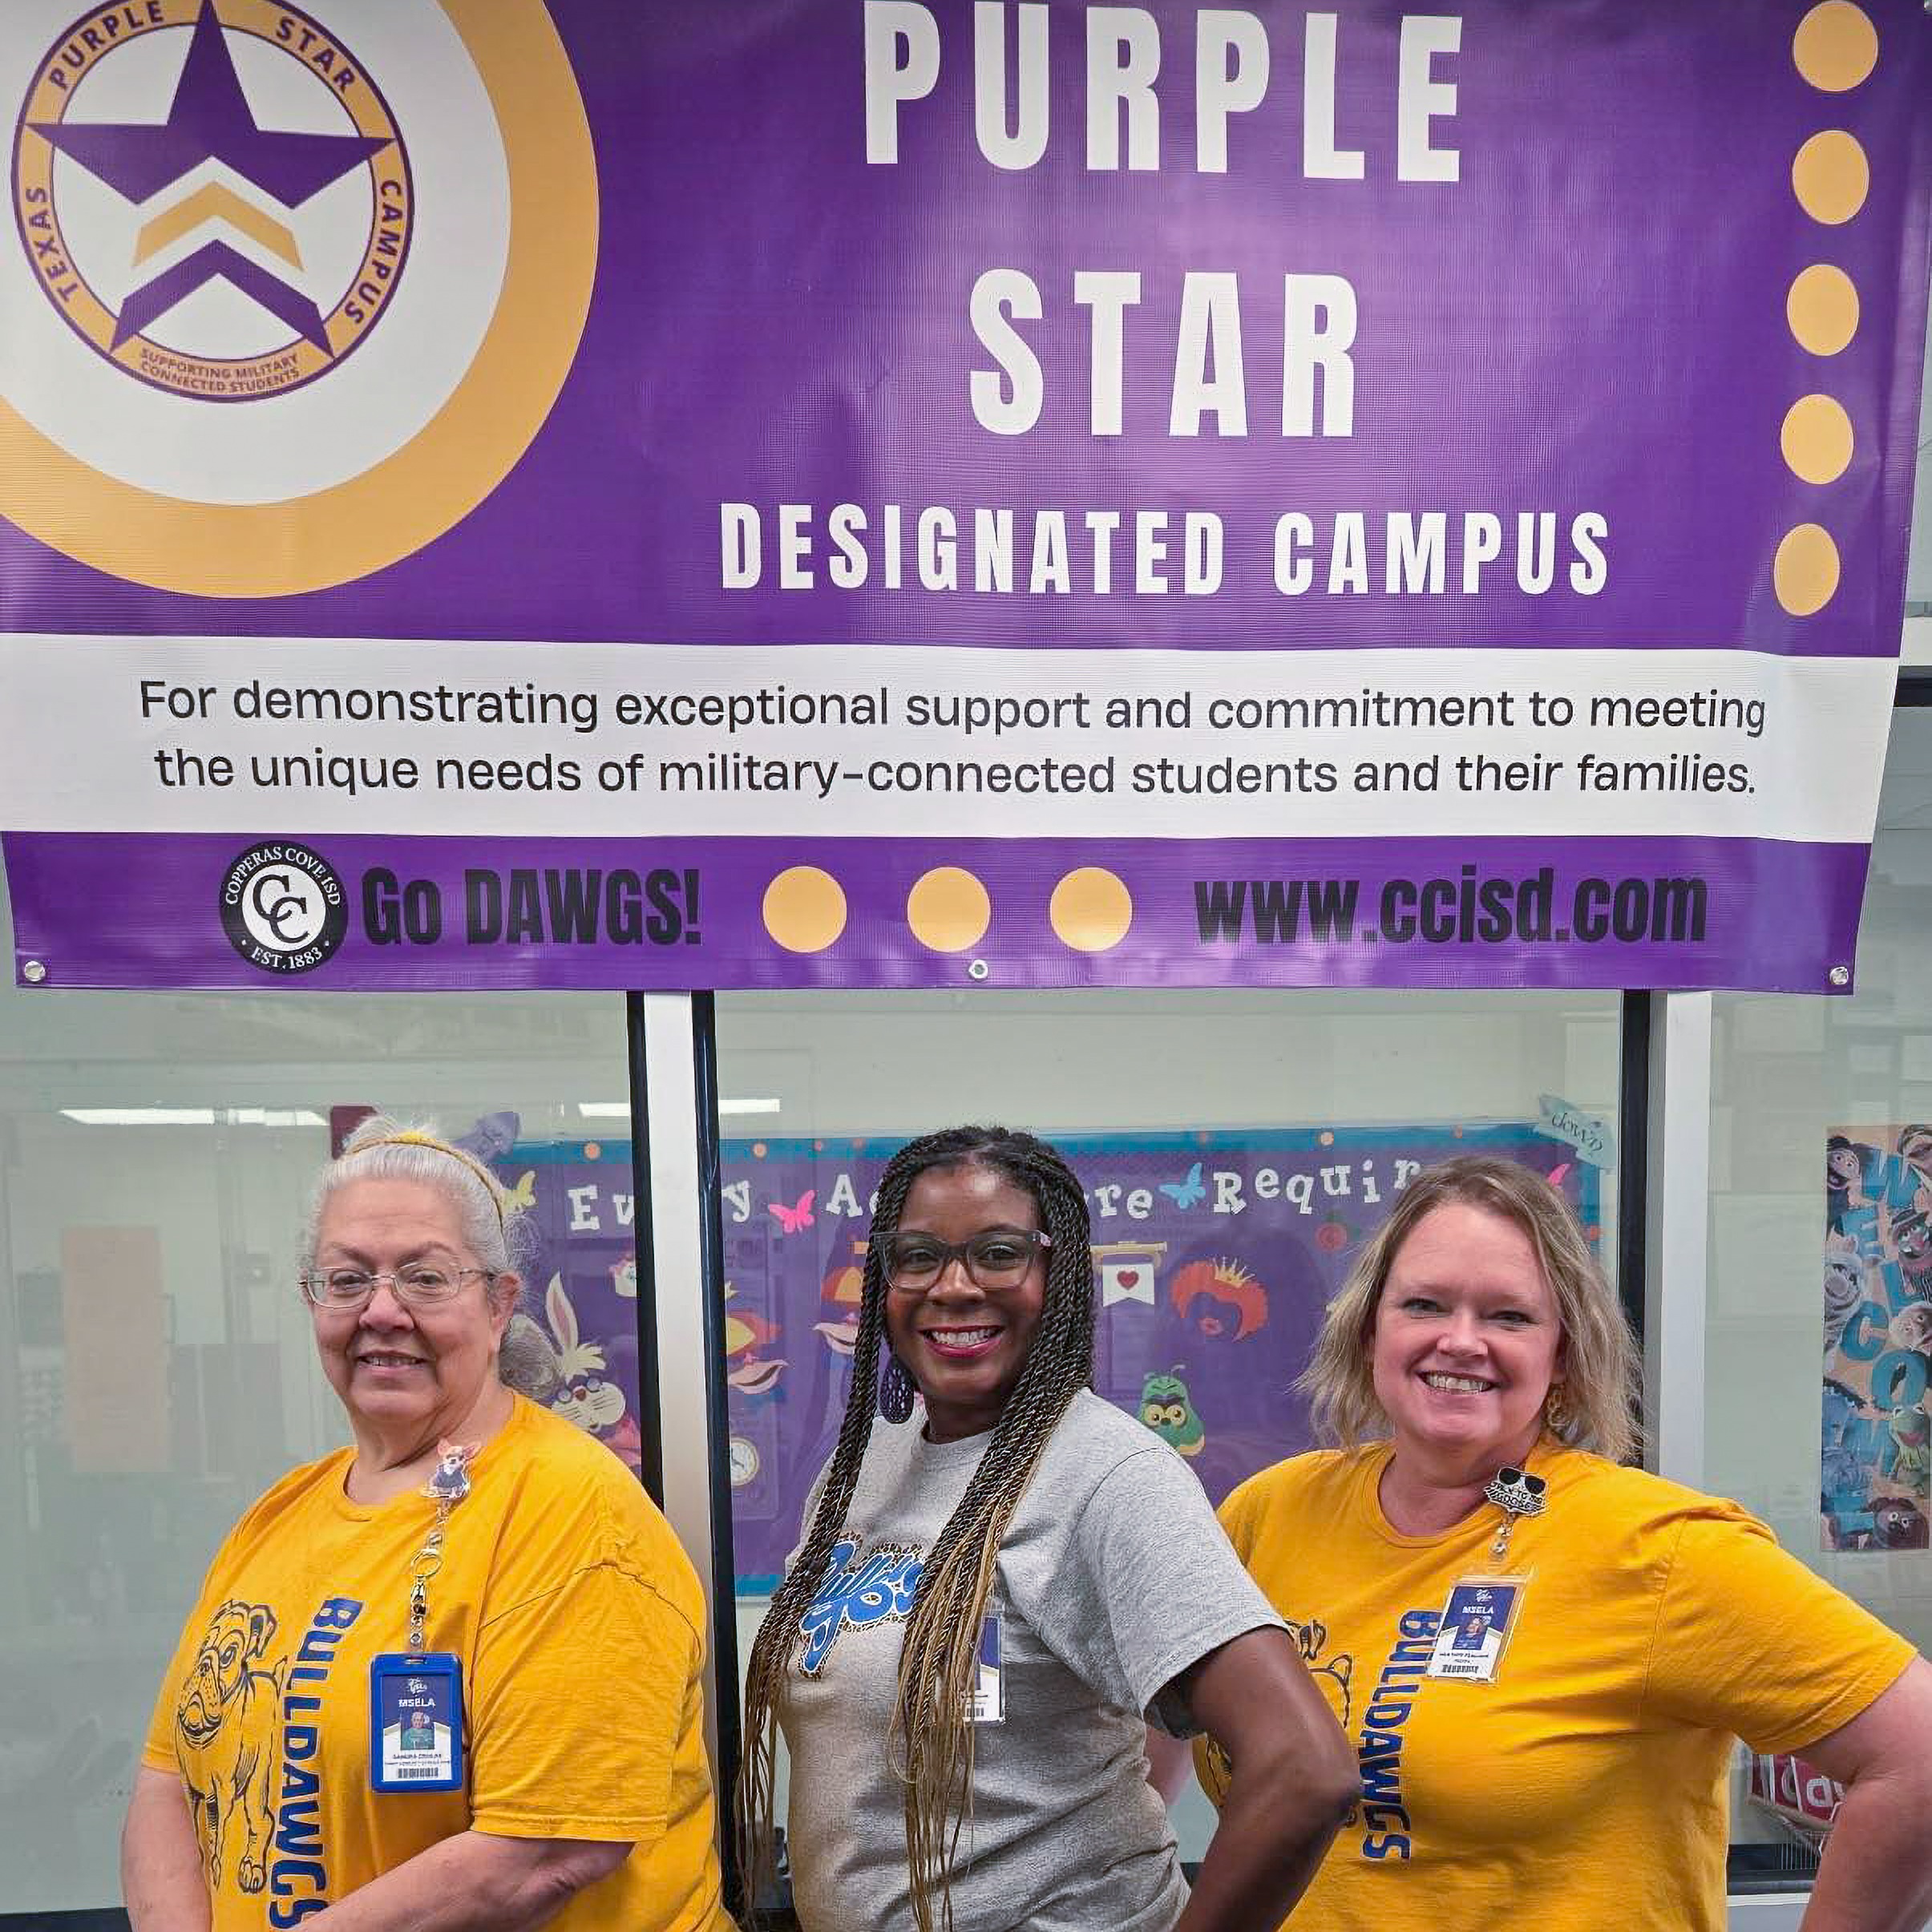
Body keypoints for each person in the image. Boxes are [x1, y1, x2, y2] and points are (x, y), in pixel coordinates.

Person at [1197, 1154, 1932, 1930]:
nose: (1460, 1340)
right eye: (1423, 1303)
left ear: (1564, 1354)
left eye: (1509, 1316)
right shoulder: (1272, 1509)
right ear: (1369, 1324)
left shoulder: (1659, 1550)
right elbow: (1153, 1725)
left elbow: (1917, 1758)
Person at [737, 1125, 1356, 1932]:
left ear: (1055, 1276)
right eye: (917, 1255)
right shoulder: (858, 1469)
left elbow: (1305, 1767)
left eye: (998, 1253)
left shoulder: (1108, 1474)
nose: (953, 1285)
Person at [122, 1116, 734, 1932]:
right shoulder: (279, 1514)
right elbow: (169, 1779)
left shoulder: (571, 1511)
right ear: (312, 1302)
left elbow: (545, 1852)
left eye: (425, 1277)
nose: (382, 1310)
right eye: (346, 1280)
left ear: (497, 1304)